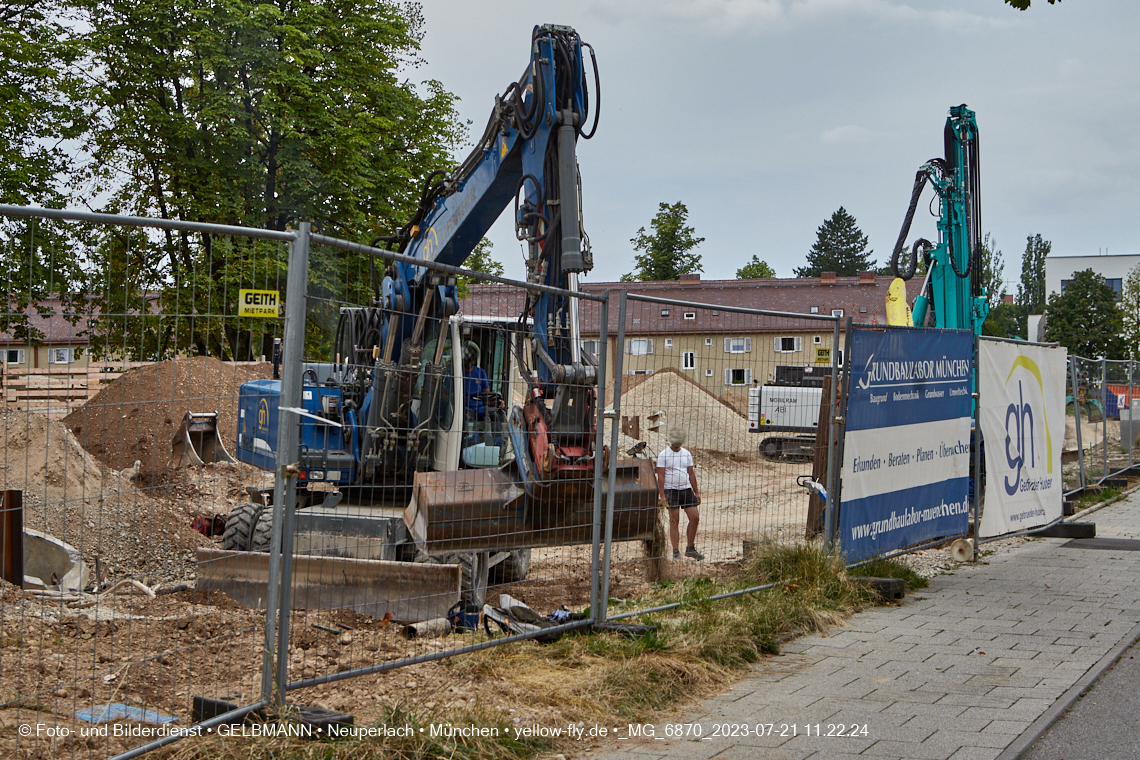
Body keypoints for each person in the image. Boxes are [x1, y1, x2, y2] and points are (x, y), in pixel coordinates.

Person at [656, 428, 704, 561]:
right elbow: (660, 476)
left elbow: (691, 473)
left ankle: (690, 548)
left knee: (695, 517)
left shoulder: (687, 454)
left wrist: (696, 491)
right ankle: (676, 550)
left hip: (686, 489)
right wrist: (662, 495)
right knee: (674, 521)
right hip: (671, 490)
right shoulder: (664, 455)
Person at [462, 343, 503, 446]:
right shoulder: (459, 373)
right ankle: (472, 443)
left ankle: (498, 444)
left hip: (480, 408)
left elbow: (487, 396)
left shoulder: (481, 373)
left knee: (494, 415)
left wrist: (498, 402)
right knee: (469, 417)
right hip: (465, 408)